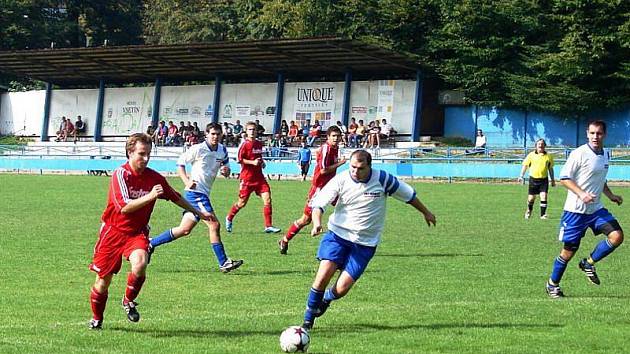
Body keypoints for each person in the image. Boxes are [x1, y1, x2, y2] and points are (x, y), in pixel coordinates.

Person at [298, 150, 436, 330]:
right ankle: (307, 323)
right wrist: (317, 223)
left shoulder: (383, 179)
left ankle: (326, 299)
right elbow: (319, 204)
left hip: (365, 244)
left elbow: (409, 196)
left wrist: (426, 212)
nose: (355, 171)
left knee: (342, 289)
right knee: (323, 275)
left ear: (369, 166)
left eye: (360, 168)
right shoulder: (342, 179)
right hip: (338, 236)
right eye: (353, 167)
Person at [87, 133, 212, 330]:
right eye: (141, 154)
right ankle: (97, 319)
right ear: (129, 153)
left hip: (136, 233)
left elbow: (175, 197)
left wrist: (199, 213)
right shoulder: (121, 174)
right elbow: (124, 207)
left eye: (148, 154)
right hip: (113, 232)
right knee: (103, 282)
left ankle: (128, 301)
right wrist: (151, 195)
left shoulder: (154, 177)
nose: (145, 159)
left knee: (140, 262)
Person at [148, 123, 243, 273]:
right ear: (206, 134)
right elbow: (180, 163)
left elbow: (226, 167)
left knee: (185, 229)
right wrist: (186, 181)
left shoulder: (222, 150)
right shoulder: (198, 149)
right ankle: (224, 262)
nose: (215, 137)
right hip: (196, 193)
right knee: (214, 225)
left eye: (218, 134)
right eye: (212, 134)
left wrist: (226, 171)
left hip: (203, 193)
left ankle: (151, 243)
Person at [545, 120, 624, 299]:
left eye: (599, 133)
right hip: (575, 211)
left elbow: (599, 179)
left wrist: (611, 195)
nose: (595, 136)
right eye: (592, 133)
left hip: (595, 210)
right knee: (568, 252)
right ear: (587, 134)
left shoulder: (605, 154)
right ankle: (552, 284)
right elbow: (564, 178)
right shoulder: (579, 154)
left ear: (604, 135)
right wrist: (581, 194)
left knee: (617, 235)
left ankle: (588, 263)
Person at [279, 126, 347, 254]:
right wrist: (340, 163)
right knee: (306, 219)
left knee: (345, 208)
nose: (336, 138)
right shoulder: (326, 149)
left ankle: (347, 244)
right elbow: (323, 170)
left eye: (338, 136)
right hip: (319, 189)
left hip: (331, 187)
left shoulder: (335, 148)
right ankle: (285, 240)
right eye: (333, 136)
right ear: (328, 137)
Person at [225, 121, 281, 233]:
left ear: (257, 131)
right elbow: (239, 159)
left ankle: (268, 226)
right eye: (250, 130)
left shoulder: (259, 144)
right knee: (241, 203)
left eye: (254, 130)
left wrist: (262, 162)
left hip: (259, 178)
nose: (252, 132)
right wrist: (252, 162)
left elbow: (258, 156)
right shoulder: (244, 144)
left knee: (268, 200)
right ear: (246, 131)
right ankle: (229, 217)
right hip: (247, 179)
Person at [518, 139, 555, 219]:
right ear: (536, 146)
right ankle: (529, 210)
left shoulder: (549, 156)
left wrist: (552, 180)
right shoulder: (531, 155)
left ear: (545, 146)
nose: (540, 145)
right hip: (533, 180)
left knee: (544, 196)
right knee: (531, 199)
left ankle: (543, 215)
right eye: (539, 144)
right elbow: (525, 165)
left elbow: (550, 169)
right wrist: (521, 176)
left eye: (542, 144)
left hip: (544, 180)